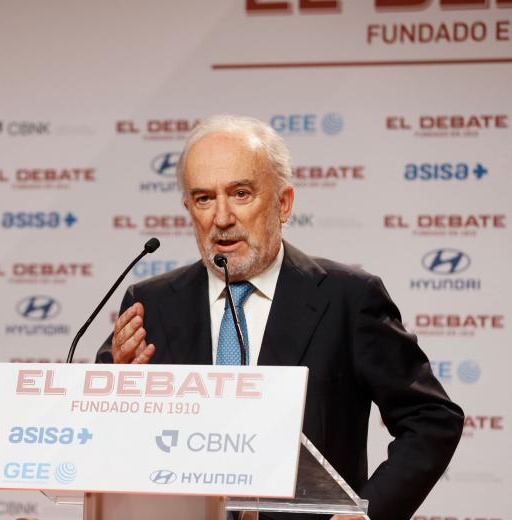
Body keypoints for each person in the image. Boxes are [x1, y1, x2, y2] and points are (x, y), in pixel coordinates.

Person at [96, 115, 464, 520]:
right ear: (189, 209)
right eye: (204, 198)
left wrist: (365, 514)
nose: (221, 218)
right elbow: (105, 439)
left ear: (283, 203)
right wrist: (118, 390)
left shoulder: (348, 299)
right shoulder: (151, 304)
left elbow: (431, 419)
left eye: (240, 193)